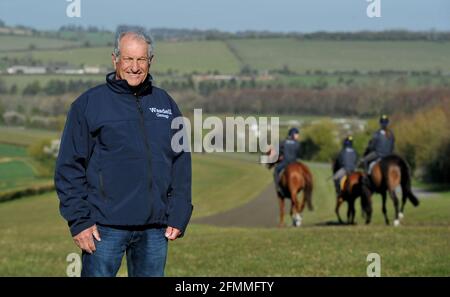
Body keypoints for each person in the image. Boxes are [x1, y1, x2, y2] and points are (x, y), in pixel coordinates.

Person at [54, 27, 193, 277]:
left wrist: (179, 212)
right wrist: (79, 222)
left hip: (155, 229)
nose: (135, 67)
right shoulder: (88, 105)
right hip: (104, 228)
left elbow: (181, 163)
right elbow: (68, 167)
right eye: (128, 58)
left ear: (151, 61)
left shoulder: (166, 104)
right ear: (115, 59)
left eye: (141, 59)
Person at [273, 127, 301, 196]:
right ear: (293, 134)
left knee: (276, 170)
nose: (298, 136)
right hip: (294, 163)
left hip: (285, 163)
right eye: (297, 134)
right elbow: (299, 153)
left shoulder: (283, 142)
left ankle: (278, 187)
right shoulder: (297, 143)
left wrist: (280, 156)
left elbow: (278, 150)